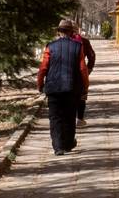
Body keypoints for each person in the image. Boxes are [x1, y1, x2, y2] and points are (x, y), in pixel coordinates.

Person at [37, 19, 88, 155]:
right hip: (72, 88)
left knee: (55, 117)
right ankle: (68, 144)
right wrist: (85, 86)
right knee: (70, 116)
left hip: (53, 88)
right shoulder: (78, 47)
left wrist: (40, 83)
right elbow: (83, 69)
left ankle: (58, 147)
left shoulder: (50, 47)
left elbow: (43, 68)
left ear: (59, 32)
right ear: (71, 33)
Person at [62, 19, 95, 125]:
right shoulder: (84, 41)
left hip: (65, 71)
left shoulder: (61, 42)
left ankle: (67, 117)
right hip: (80, 71)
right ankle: (79, 118)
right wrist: (89, 69)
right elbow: (92, 56)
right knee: (82, 94)